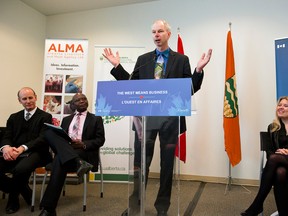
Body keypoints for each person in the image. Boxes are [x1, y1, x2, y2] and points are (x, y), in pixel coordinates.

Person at [103, 19, 212, 216]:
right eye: (153, 32)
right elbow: (131, 86)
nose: (156, 35)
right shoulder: (143, 59)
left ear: (168, 34)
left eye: (160, 31)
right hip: (145, 121)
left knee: (166, 165)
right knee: (140, 164)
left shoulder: (181, 60)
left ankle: (162, 208)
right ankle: (135, 206)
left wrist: (198, 71)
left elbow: (190, 89)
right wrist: (117, 66)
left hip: (170, 120)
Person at [39, 93, 105, 216]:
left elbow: (100, 140)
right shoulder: (66, 119)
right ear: (73, 104)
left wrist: (83, 144)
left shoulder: (96, 119)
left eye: (84, 99)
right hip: (68, 150)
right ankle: (77, 162)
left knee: (59, 159)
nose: (82, 101)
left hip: (83, 152)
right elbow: (61, 139)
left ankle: (48, 209)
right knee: (49, 132)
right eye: (78, 100)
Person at [0, 87, 52, 214]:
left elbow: (42, 139)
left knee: (20, 169)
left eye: (30, 98)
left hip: (37, 152)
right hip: (15, 152)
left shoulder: (45, 116)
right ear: (20, 101)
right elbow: (7, 136)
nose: (28, 101)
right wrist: (6, 148)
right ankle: (24, 190)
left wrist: (22, 148)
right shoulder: (13, 117)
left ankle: (13, 199)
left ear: (35, 98)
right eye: (24, 99)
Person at [241, 96, 288, 216]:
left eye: (285, 105)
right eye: (280, 105)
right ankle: (283, 212)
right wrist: (279, 153)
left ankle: (257, 205)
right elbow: (269, 152)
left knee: (274, 160)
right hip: (280, 163)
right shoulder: (273, 127)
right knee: (279, 172)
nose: (281, 107)